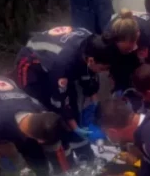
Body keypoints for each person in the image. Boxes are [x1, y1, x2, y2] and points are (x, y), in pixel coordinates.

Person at [14, 26, 112, 160]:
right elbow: (61, 101)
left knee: (74, 103)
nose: (104, 72)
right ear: (91, 60)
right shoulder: (63, 65)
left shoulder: (93, 44)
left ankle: (81, 147)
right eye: (102, 68)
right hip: (33, 66)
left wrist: (96, 108)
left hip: (62, 61)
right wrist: (75, 127)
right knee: (47, 111)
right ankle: (58, 152)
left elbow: (89, 79)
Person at [103, 9, 150, 96]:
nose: (126, 52)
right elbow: (113, 63)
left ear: (137, 35)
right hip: (127, 39)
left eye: (128, 49)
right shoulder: (108, 37)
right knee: (121, 74)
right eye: (123, 50)